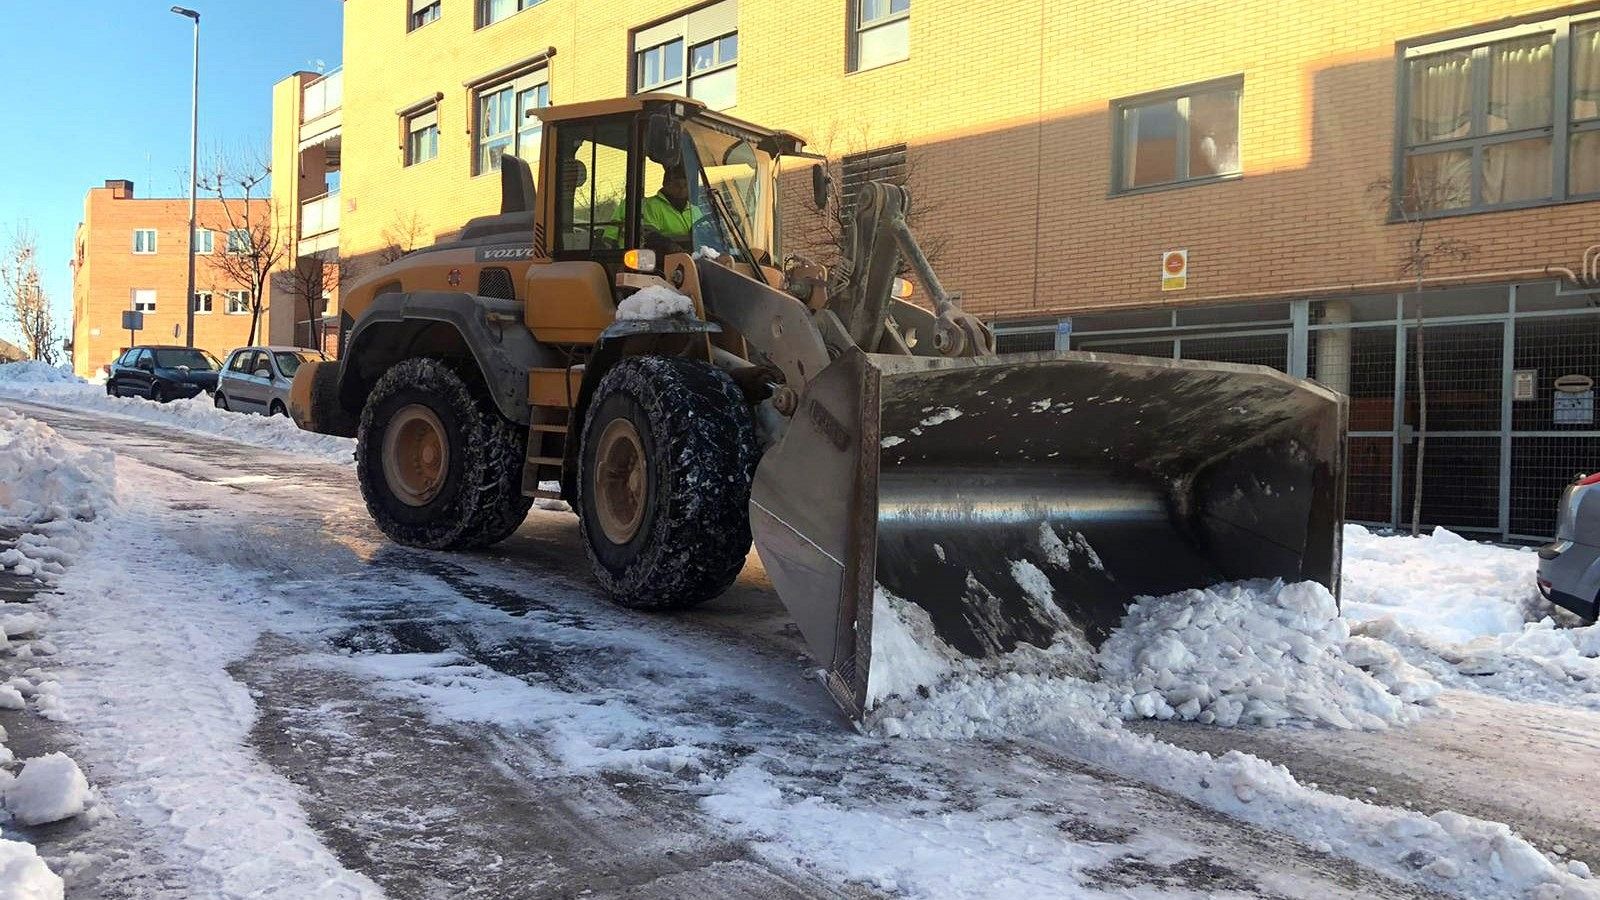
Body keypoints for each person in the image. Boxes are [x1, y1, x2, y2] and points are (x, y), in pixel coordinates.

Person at [640, 164, 702, 252]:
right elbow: (647, 233)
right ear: (666, 185)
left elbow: (706, 232)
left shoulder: (694, 210)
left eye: (685, 185)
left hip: (696, 255)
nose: (682, 189)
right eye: (677, 185)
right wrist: (669, 245)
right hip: (664, 256)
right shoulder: (651, 205)